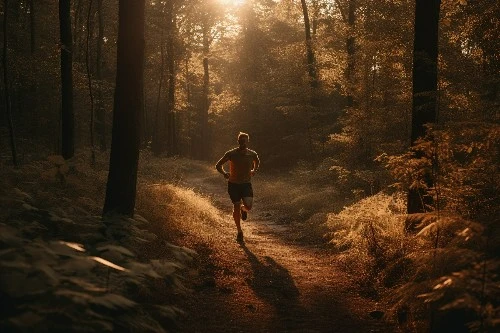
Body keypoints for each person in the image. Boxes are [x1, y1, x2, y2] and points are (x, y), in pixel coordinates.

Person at [215, 132, 260, 242]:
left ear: (247, 141)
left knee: (249, 206)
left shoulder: (252, 154)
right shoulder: (231, 153)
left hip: (246, 184)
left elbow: (257, 162)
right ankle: (239, 232)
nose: (243, 143)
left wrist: (254, 170)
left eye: (245, 140)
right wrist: (224, 173)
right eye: (241, 141)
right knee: (235, 205)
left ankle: (243, 209)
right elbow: (218, 165)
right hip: (233, 184)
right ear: (238, 141)